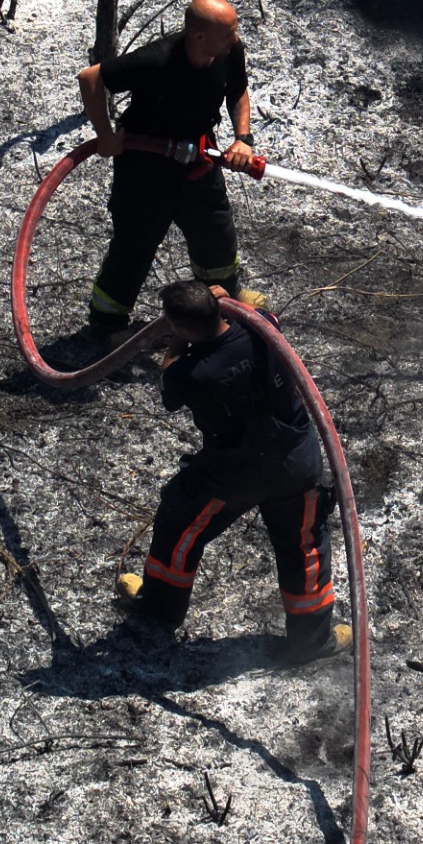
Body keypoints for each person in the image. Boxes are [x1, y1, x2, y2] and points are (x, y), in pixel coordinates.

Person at [116, 281, 348, 660]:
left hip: (234, 473)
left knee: (179, 525)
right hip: (296, 463)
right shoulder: (262, 330)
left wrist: (176, 342)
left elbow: (169, 385)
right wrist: (230, 301)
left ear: (186, 328)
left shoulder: (193, 373)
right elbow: (263, 313)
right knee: (303, 548)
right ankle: (311, 641)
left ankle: (159, 610)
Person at [77, 0, 258, 336]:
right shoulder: (157, 60)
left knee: (216, 232)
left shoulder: (229, 50)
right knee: (135, 245)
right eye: (228, 33)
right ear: (199, 36)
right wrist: (105, 135)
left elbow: (238, 90)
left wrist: (242, 139)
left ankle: (223, 300)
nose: (235, 39)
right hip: (145, 167)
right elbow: (90, 78)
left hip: (199, 158)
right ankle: (107, 324)